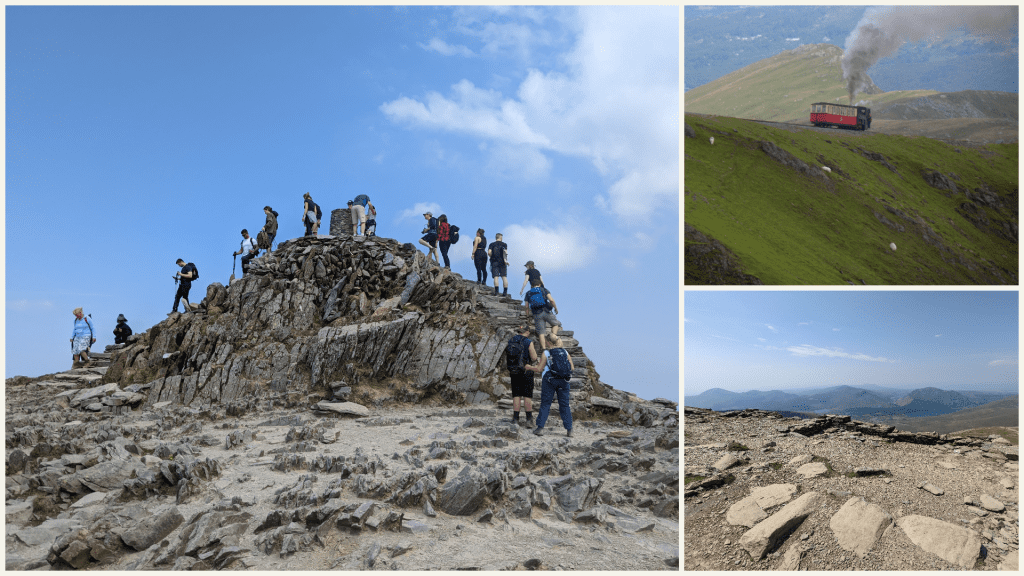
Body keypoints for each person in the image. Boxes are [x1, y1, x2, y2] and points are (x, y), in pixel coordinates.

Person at [533, 334, 575, 438]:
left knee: (546, 403)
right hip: (564, 381)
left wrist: (529, 367)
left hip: (549, 381)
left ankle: (540, 428)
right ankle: (569, 430)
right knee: (565, 405)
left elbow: (539, 369)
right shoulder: (565, 352)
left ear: (548, 342)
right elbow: (572, 368)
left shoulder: (546, 353)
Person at [506, 325, 542, 427]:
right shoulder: (528, 342)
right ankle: (529, 420)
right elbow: (534, 357)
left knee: (516, 395)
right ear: (527, 332)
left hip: (514, 372)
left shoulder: (511, 340)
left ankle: (515, 419)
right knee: (527, 395)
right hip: (526, 371)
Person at [523, 277, 561, 350]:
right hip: (546, 311)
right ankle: (553, 335)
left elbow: (526, 307)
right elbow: (551, 300)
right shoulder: (544, 290)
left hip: (537, 314)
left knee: (541, 333)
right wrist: (556, 308)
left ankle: (544, 349)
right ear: (540, 284)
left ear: (531, 285)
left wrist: (528, 316)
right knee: (555, 324)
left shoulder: (528, 293)